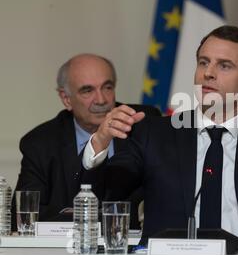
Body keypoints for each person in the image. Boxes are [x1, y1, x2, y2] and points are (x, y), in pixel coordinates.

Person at [82, 26, 238, 248]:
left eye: (224, 66)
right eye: (204, 62)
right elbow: (104, 195)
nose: (209, 73)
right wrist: (100, 142)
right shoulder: (154, 133)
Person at [13, 53, 161, 229]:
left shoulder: (141, 123)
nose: (101, 100)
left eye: (107, 87)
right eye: (87, 90)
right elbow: (24, 215)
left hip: (131, 245)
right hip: (68, 250)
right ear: (66, 99)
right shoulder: (40, 143)